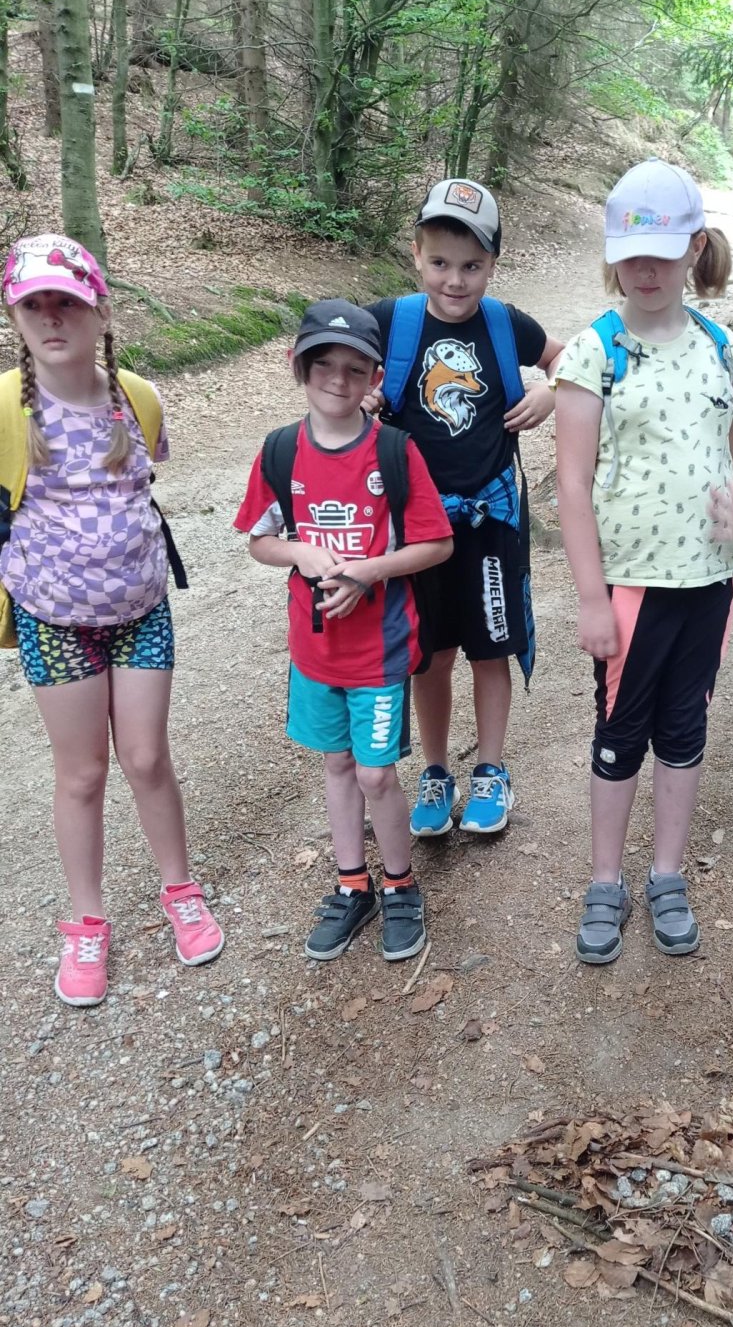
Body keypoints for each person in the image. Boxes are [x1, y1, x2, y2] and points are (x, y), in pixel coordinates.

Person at [554, 159, 733, 966]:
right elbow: (571, 483)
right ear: (613, 255)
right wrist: (591, 597)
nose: (645, 271)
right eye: (630, 255)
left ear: (694, 248)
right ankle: (605, 880)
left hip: (710, 582)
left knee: (686, 727)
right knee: (621, 731)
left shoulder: (722, 344)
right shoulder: (595, 351)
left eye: (662, 253)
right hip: (630, 585)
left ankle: (667, 875)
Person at [0, 233, 223, 1007]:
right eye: (34, 304)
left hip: (140, 610)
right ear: (15, 316)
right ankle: (87, 924)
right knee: (83, 773)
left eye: (67, 301)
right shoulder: (5, 407)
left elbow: (148, 472)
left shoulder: (137, 398)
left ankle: (180, 891)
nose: (51, 317)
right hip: (54, 620)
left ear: (99, 311)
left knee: (148, 758)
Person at [234, 301, 452, 962]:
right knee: (336, 765)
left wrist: (367, 571)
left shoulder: (393, 451)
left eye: (355, 369)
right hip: (314, 651)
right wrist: (300, 551)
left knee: (377, 775)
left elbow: (437, 543)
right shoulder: (281, 450)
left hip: (379, 649)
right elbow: (260, 541)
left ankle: (400, 884)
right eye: (323, 364)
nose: (337, 379)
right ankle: (352, 884)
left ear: (375, 378)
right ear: (297, 366)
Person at [366, 179, 565, 838]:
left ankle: (490, 769)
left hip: (489, 521)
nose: (455, 280)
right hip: (417, 529)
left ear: (493, 265)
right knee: (430, 655)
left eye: (472, 266)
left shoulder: (506, 325)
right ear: (416, 254)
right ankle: (435, 770)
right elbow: (331, 361)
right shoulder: (390, 322)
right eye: (441, 262)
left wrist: (552, 391)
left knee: (489, 648)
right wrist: (362, 396)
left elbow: (568, 357)